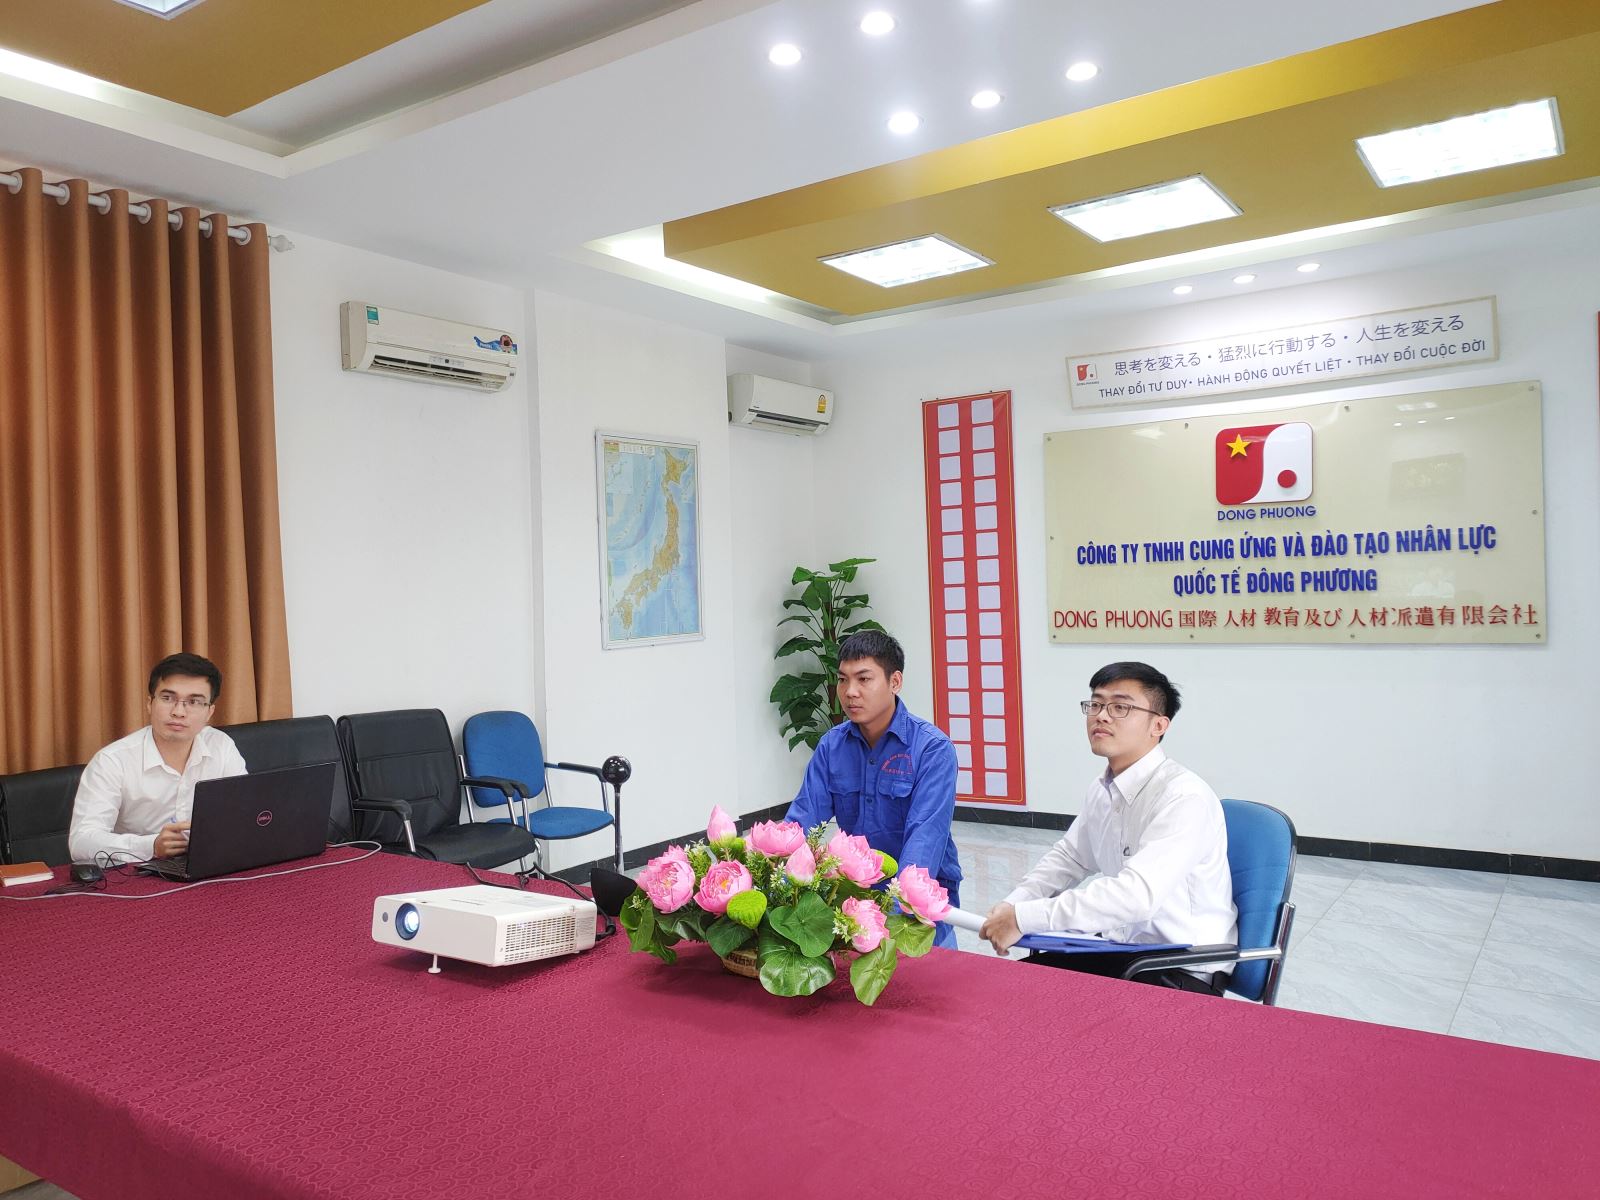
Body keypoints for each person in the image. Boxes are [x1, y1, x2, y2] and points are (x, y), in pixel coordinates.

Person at [978, 662, 1237, 994]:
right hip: (1123, 953)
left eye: (1120, 707)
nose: (1101, 716)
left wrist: (1026, 917)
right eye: (1096, 704)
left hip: (1180, 970)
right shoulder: (1103, 788)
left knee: (1029, 1003)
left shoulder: (1184, 797)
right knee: (1003, 988)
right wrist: (1012, 906)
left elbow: (1135, 897)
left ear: (1158, 725)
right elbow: (1069, 859)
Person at [786, 630, 962, 947]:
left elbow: (924, 842)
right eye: (843, 680)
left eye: (864, 679)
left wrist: (889, 915)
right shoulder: (831, 746)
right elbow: (801, 823)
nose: (850, 692)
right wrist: (776, 882)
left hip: (918, 906)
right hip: (853, 897)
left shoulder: (932, 749)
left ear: (895, 682)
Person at [67, 652, 247, 864]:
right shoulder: (112, 761)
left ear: (209, 712)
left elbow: (244, 815)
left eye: (194, 702)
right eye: (168, 698)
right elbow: (81, 842)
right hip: (137, 873)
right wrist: (151, 845)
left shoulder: (221, 746)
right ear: (150, 703)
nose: (179, 712)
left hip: (209, 864)